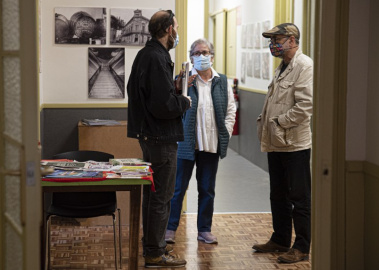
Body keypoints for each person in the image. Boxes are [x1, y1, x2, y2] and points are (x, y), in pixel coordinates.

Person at [127, 10, 191, 268]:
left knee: (153, 197)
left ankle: (152, 248)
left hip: (150, 136)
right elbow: (163, 106)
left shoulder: (145, 54)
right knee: (161, 199)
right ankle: (155, 253)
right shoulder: (156, 57)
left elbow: (145, 94)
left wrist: (172, 90)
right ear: (168, 30)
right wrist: (183, 100)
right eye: (175, 26)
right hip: (161, 138)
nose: (177, 32)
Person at [164, 38, 236, 245]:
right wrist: (179, 86)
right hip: (186, 143)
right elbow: (173, 107)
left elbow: (230, 110)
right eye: (196, 53)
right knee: (177, 188)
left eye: (205, 52)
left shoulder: (221, 80)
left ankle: (204, 229)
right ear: (190, 57)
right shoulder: (185, 78)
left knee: (207, 189)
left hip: (211, 144)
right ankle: (170, 228)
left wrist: (226, 133)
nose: (201, 56)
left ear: (212, 56)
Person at [252, 23, 313, 264]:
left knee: (299, 196)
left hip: (294, 143)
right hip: (276, 142)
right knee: (278, 194)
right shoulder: (282, 67)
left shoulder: (304, 65)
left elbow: (305, 106)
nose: (272, 44)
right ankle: (280, 239)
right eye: (272, 40)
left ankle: (302, 247)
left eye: (277, 39)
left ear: (292, 40)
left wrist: (279, 122)